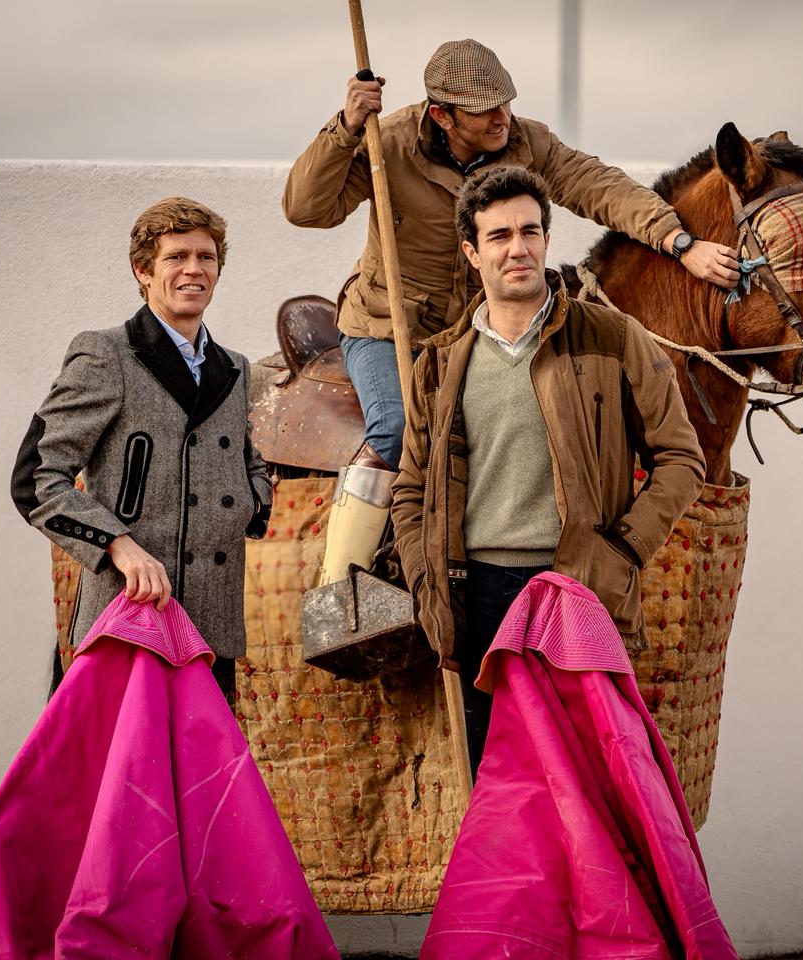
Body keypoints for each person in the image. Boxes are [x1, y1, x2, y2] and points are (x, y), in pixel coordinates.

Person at [283, 38, 736, 587]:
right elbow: (305, 209)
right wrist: (347, 126)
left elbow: (600, 187)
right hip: (385, 328)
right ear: (441, 115)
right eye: (485, 109)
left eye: (506, 102)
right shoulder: (388, 141)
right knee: (400, 429)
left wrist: (679, 241)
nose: (503, 117)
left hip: (480, 331)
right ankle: (344, 590)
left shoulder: (527, 141)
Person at [390, 166, 707, 772]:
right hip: (475, 596)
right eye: (499, 236)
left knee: (584, 781)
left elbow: (680, 458)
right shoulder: (440, 364)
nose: (518, 248)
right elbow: (412, 486)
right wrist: (424, 569)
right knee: (496, 782)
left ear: (547, 239)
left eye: (530, 231)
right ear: (471, 252)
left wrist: (622, 551)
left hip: (574, 589)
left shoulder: (613, 337)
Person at [11, 196, 273, 700]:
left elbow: (247, 459)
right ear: (144, 270)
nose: (193, 269)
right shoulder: (104, 353)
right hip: (127, 617)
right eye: (176, 257)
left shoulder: (236, 368)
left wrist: (253, 500)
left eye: (206, 257)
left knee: (201, 779)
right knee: (115, 776)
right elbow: (36, 478)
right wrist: (118, 544)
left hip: (211, 627)